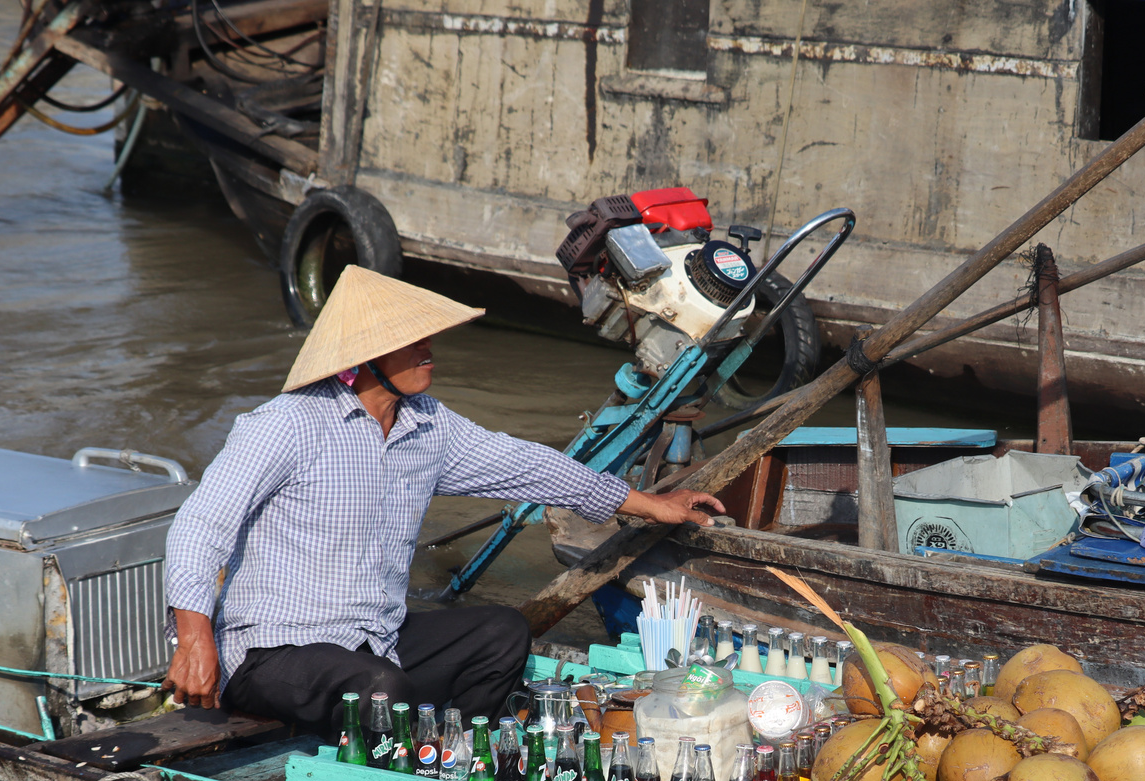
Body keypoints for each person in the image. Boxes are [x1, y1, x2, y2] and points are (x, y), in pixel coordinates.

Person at [160, 266, 724, 732]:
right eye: (412, 341)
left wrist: (650, 504)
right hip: (271, 651)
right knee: (379, 691)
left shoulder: (429, 427)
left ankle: (451, 759)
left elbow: (529, 466)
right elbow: (200, 527)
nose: (429, 350)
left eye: (427, 338)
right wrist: (194, 640)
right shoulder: (286, 425)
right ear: (368, 354)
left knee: (502, 633)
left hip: (371, 640)